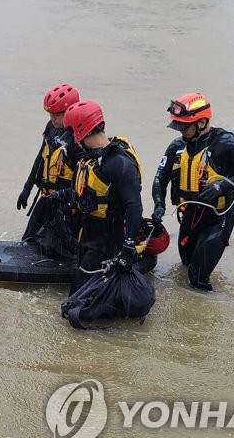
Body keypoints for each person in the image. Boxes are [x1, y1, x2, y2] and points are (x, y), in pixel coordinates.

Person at [151, 93, 234, 291]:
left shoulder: (226, 143)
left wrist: (222, 186)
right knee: (184, 268)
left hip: (218, 219)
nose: (181, 130)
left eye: (185, 126)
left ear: (201, 122)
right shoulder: (177, 146)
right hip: (189, 216)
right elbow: (160, 178)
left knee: (198, 279)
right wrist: (159, 204)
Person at [47, 101, 143, 295]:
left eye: (74, 133)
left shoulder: (119, 163)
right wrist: (58, 197)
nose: (73, 139)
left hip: (108, 241)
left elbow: (134, 207)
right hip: (89, 237)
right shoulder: (89, 160)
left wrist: (128, 247)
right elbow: (83, 194)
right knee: (78, 297)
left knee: (77, 304)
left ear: (82, 131)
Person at [16, 83, 81, 242]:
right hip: (46, 199)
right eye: (50, 114)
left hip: (66, 207)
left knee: (56, 247)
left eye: (56, 115)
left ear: (70, 111)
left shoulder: (79, 138)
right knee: (28, 239)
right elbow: (40, 159)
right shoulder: (51, 127)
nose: (52, 119)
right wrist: (27, 189)